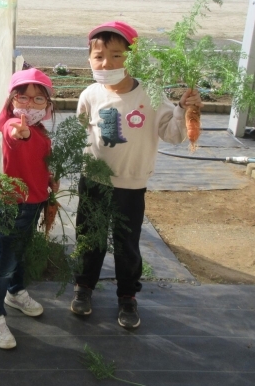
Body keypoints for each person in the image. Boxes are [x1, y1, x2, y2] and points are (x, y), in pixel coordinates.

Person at [70, 21, 202, 329]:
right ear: (89, 58)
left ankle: (127, 296)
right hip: (94, 181)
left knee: (126, 242)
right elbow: (80, 133)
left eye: (117, 56)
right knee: (90, 238)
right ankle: (83, 286)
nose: (108, 63)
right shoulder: (90, 94)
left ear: (133, 57)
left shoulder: (151, 95)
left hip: (131, 184)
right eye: (99, 56)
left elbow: (172, 134)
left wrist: (184, 110)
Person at [0, 67, 58, 349]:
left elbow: (37, 160)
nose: (30, 105)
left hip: (34, 202)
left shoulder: (39, 131)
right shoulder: (13, 127)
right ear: (12, 101)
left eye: (38, 99)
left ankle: (14, 292)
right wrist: (21, 132)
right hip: (14, 205)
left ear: (47, 106)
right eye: (23, 97)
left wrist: (50, 178)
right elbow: (17, 138)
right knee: (4, 263)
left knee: (20, 252)